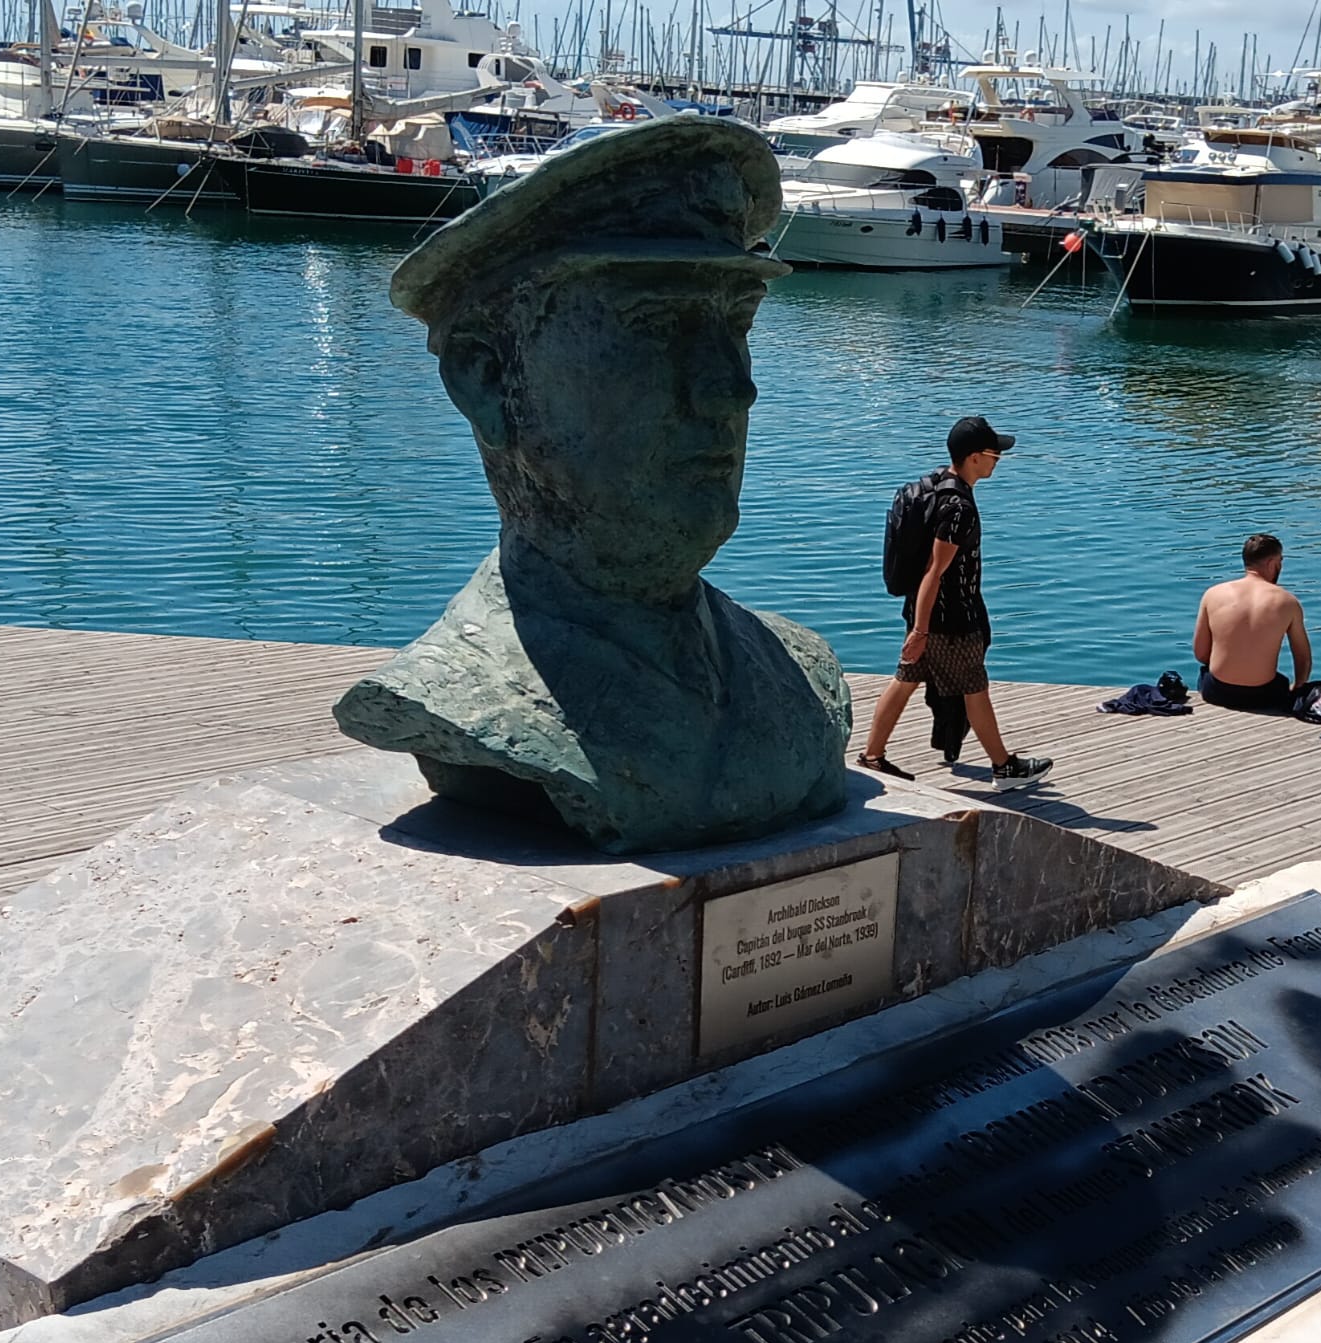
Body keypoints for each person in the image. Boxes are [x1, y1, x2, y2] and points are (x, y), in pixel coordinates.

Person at [336, 115, 852, 855]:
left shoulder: (801, 672)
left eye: (735, 325)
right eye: (655, 324)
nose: (731, 388)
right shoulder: (456, 693)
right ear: (488, 378)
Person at [857, 415, 1053, 785]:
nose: (999, 460)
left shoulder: (933, 486)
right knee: (975, 688)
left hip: (924, 612)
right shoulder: (958, 507)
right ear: (974, 457)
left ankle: (872, 755)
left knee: (904, 680)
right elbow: (935, 571)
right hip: (950, 622)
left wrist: (918, 625)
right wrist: (921, 631)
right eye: (995, 454)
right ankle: (1004, 767)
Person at [1193, 533, 1312, 712]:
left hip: (1217, 692)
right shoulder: (1287, 602)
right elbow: (1303, 658)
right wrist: (1298, 687)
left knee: (1206, 672)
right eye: (1280, 561)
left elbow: (1201, 654)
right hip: (1264, 696)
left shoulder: (1213, 594)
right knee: (1281, 681)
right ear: (1272, 563)